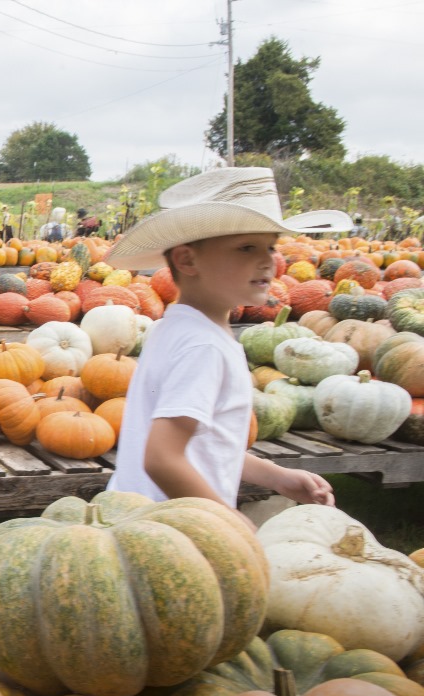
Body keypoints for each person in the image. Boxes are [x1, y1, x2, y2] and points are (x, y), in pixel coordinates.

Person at [105, 167, 350, 521]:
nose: (268, 260)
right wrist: (230, 524)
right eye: (246, 247)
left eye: (270, 246)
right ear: (187, 260)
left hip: (139, 519)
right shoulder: (203, 347)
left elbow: (207, 446)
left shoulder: (173, 329)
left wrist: (277, 477)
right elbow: (162, 458)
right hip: (173, 533)